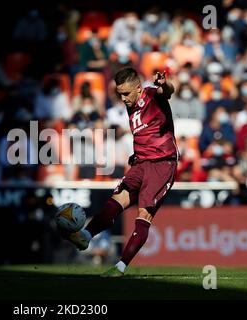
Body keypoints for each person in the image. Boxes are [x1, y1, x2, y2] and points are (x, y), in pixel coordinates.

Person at [61, 67, 178, 277]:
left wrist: (164, 84)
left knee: (144, 214)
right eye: (119, 94)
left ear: (139, 89)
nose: (123, 99)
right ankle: (86, 235)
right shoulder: (130, 104)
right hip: (140, 163)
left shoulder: (152, 95)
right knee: (117, 199)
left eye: (126, 94)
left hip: (161, 163)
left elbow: (167, 92)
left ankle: (121, 267)